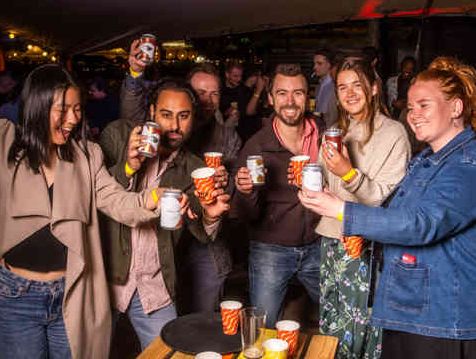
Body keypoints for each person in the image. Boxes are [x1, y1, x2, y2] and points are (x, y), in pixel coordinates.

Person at [0, 0, 171, 359]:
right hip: (15, 297)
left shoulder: (86, 154)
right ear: (37, 105)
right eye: (62, 109)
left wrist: (153, 199)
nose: (72, 119)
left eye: (77, 110)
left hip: (72, 292)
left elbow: (116, 200)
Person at [299, 57, 476, 359]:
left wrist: (342, 208)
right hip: (414, 311)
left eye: (424, 105)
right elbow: (392, 213)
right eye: (410, 107)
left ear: (456, 108)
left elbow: (418, 225)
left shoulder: (467, 168)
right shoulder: (428, 161)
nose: (413, 114)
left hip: (447, 322)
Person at [98, 80, 230, 351]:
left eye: (184, 116)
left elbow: (200, 232)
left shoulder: (195, 169)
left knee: (170, 354)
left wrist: (211, 216)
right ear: (151, 112)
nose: (174, 126)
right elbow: (95, 193)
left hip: (154, 288)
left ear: (194, 118)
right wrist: (128, 167)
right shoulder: (119, 137)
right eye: (166, 115)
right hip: (104, 280)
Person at [313, 58, 411, 359]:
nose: (350, 93)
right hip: (331, 240)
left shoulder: (394, 133)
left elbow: (387, 199)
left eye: (358, 84)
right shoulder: (334, 131)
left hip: (366, 244)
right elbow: (323, 187)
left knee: (361, 329)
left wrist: (348, 173)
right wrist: (306, 181)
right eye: (343, 87)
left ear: (374, 88)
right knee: (331, 319)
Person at [232, 63, 326, 328]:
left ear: (308, 97)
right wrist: (246, 192)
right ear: (271, 98)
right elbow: (245, 215)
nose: (290, 101)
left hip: (319, 244)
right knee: (263, 327)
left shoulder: (324, 135)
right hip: (271, 250)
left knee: (339, 317)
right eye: (282, 93)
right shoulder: (256, 146)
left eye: (298, 93)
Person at [181, 64, 241, 314]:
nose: (208, 99)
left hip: (207, 240)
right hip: (167, 235)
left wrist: (227, 181)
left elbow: (238, 189)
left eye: (214, 93)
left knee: (203, 315)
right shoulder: (173, 129)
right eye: (201, 92)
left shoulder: (227, 136)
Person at [313, 48, 338, 128]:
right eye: (314, 63)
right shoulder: (318, 87)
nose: (314, 67)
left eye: (319, 64)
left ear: (329, 64)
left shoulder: (336, 86)